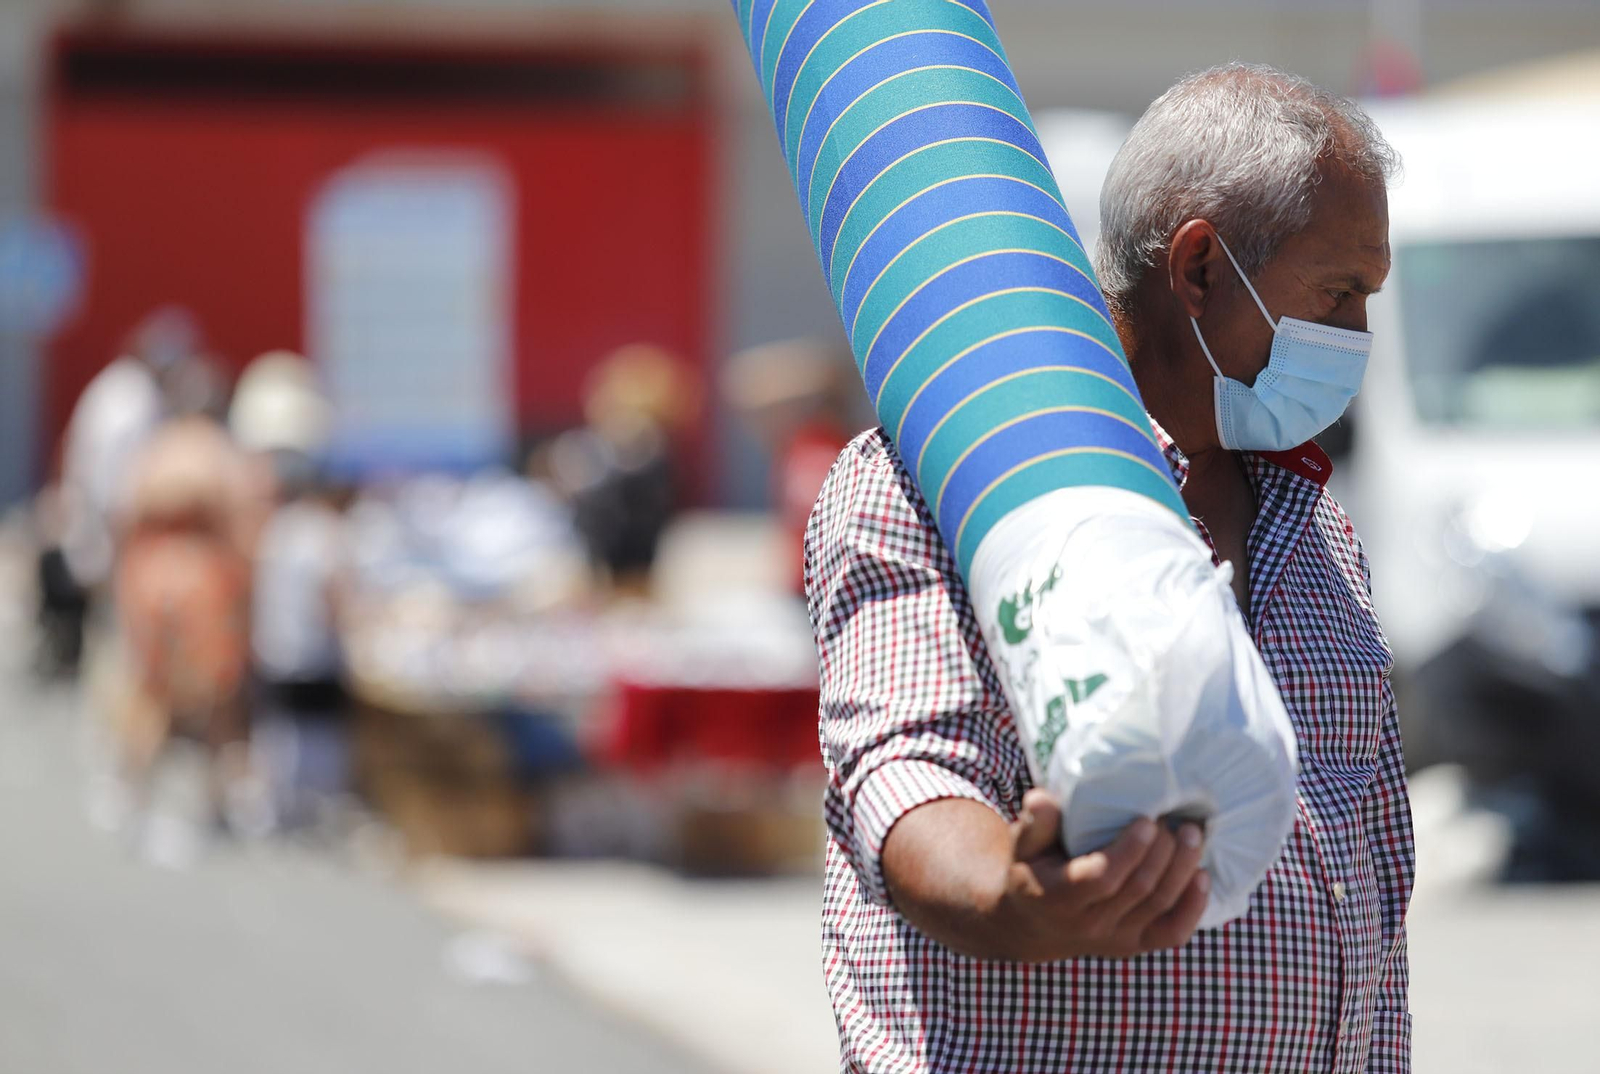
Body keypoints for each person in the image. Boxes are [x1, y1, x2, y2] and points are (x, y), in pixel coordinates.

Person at [806, 64, 1412, 1072]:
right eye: (1338, 293)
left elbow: (1371, 880)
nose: (1355, 340)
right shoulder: (941, 484)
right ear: (1201, 268)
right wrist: (1015, 894)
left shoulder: (1316, 530)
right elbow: (904, 771)